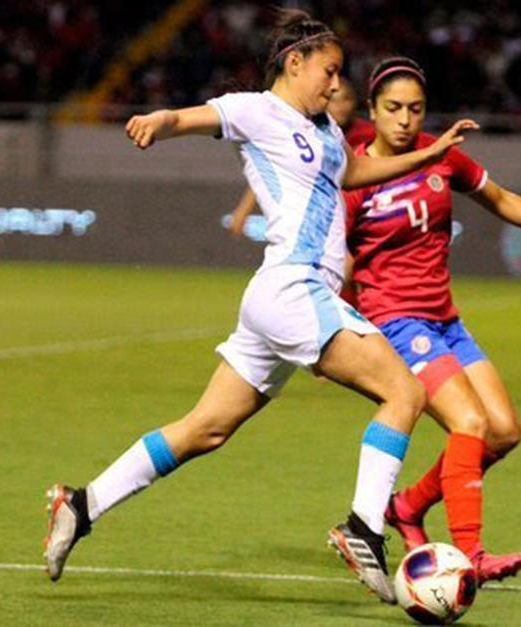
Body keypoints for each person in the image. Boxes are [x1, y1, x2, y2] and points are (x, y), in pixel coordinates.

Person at [43, 12, 479, 605]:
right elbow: (191, 117)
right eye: (328, 71)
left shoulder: (325, 128)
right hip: (295, 289)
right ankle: (363, 528)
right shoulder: (256, 110)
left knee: (206, 429)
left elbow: (355, 172)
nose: (335, 85)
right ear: (294, 63)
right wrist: (156, 121)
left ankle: (81, 505)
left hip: (282, 298)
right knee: (405, 394)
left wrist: (433, 156)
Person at [344, 57, 521, 584]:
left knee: (504, 432)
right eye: (394, 109)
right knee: (469, 423)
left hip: (445, 320)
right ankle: (470, 553)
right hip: (398, 323)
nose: (405, 120)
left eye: (415, 109)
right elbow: (341, 262)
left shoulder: (441, 156)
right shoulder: (356, 178)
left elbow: (496, 197)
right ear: (372, 113)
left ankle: (405, 508)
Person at [227, 77, 375, 238]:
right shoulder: (306, 132)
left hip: (367, 209)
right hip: (318, 212)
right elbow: (274, 169)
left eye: (346, 99)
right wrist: (244, 210)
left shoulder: (369, 133)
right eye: (334, 101)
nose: (340, 107)